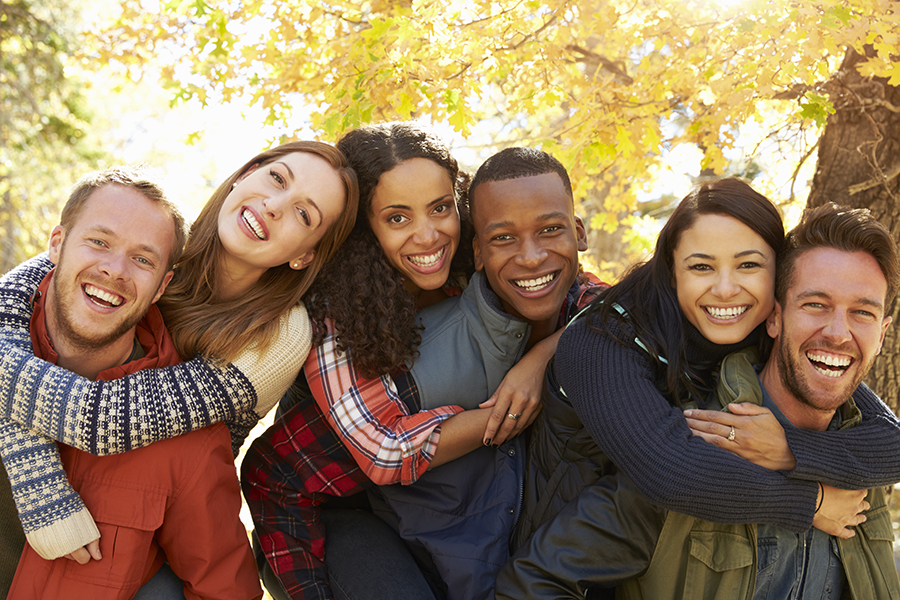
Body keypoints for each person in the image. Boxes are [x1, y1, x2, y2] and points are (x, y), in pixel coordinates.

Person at [495, 181, 900, 598]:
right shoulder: (604, 343)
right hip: (546, 537)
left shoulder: (762, 333)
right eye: (701, 266)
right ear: (671, 271)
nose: (726, 288)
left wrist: (788, 448)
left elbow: (890, 438)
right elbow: (668, 473)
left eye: (748, 265)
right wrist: (810, 502)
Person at [242, 140, 601, 600]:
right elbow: (384, 453)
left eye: (440, 208)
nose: (429, 235)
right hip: (320, 507)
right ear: (364, 229)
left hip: (423, 506)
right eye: (397, 218)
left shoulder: (480, 266)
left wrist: (540, 358)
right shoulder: (331, 312)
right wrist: (510, 413)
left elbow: (599, 302)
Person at [0, 142, 358, 589]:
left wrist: (39, 487)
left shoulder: (281, 334)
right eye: (277, 179)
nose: (274, 206)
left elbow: (100, 417)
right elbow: (28, 286)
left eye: (305, 215)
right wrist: (39, 475)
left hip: (163, 519)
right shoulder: (155, 238)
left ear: (305, 254)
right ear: (243, 175)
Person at [613, 202, 900, 599]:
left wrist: (790, 450)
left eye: (862, 313)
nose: (838, 333)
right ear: (775, 317)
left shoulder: (864, 465)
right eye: (815, 305)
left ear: (883, 334)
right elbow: (545, 576)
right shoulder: (690, 434)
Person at [3, 166, 262, 599]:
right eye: (99, 242)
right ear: (56, 243)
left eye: (142, 259)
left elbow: (225, 590)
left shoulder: (186, 437)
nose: (115, 269)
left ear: (161, 287)